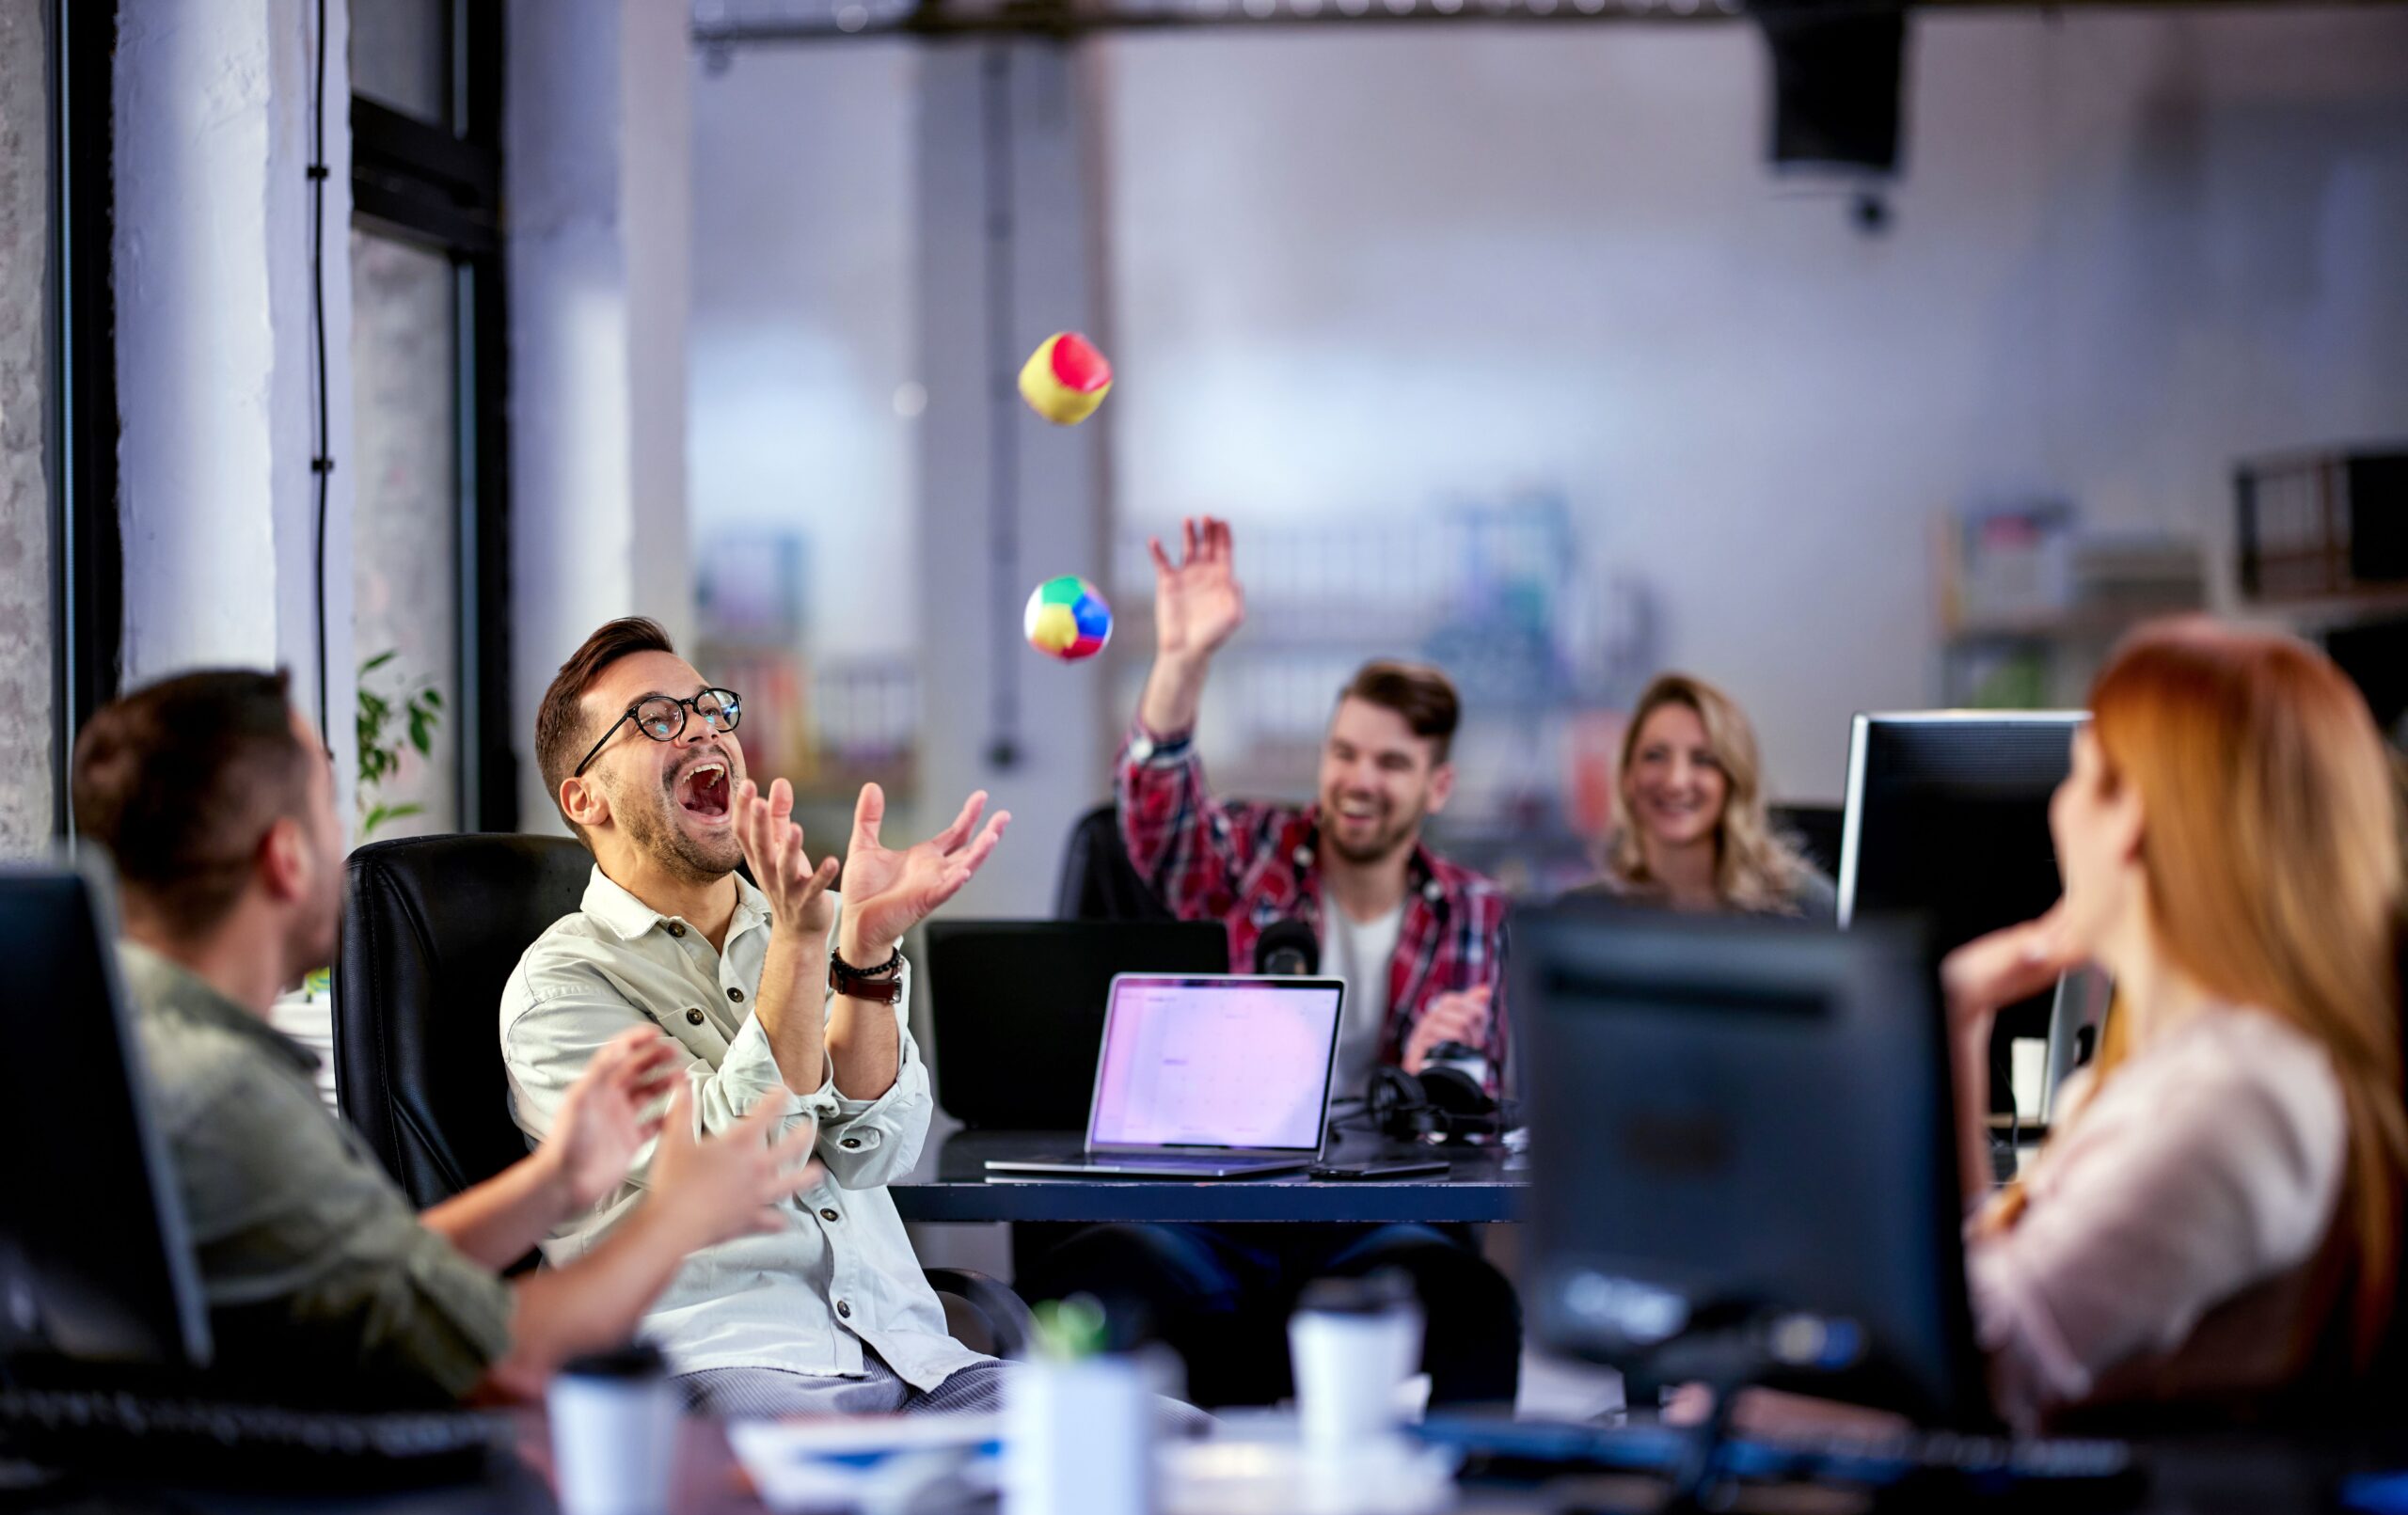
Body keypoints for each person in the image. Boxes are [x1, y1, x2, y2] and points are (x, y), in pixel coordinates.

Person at [70, 669, 816, 1407]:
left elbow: (376, 1275)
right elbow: (497, 1360)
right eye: (329, 810)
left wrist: (555, 1181)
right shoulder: (226, 1098)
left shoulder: (124, 1056)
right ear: (287, 858)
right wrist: (677, 1219)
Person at [1018, 516, 1520, 1410]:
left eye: (1391, 764)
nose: (1358, 781)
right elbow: (1157, 814)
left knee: (1474, 1305)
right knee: (1093, 1281)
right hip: (1210, 1206)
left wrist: (1446, 1084)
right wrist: (1184, 661)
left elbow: (1499, 1121)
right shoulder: (1251, 853)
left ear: (1436, 786)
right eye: (1345, 753)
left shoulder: (1475, 913)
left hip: (1371, 1216)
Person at [500, 618, 1033, 1419]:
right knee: (845, 1508)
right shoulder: (561, 987)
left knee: (1158, 1450)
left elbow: (876, 1150)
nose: (704, 729)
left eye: (710, 708)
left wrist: (864, 954)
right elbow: (733, 1156)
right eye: (655, 719)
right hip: (723, 1366)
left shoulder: (810, 922)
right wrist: (805, 943)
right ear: (586, 797)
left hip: (913, 1359)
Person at [1942, 620, 2407, 1431]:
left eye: (2079, 778)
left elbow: (1976, 1366)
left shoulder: (2243, 1098)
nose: (2059, 809)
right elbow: (1987, 1288)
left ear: (2130, 818)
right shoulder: (2168, 1071)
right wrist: (1954, 1028)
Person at [1579, 672, 1831, 919]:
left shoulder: (1806, 905)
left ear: (1733, 779)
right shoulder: (1582, 914)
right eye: (1655, 756)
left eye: (1703, 759)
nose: (1676, 781)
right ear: (1627, 776)